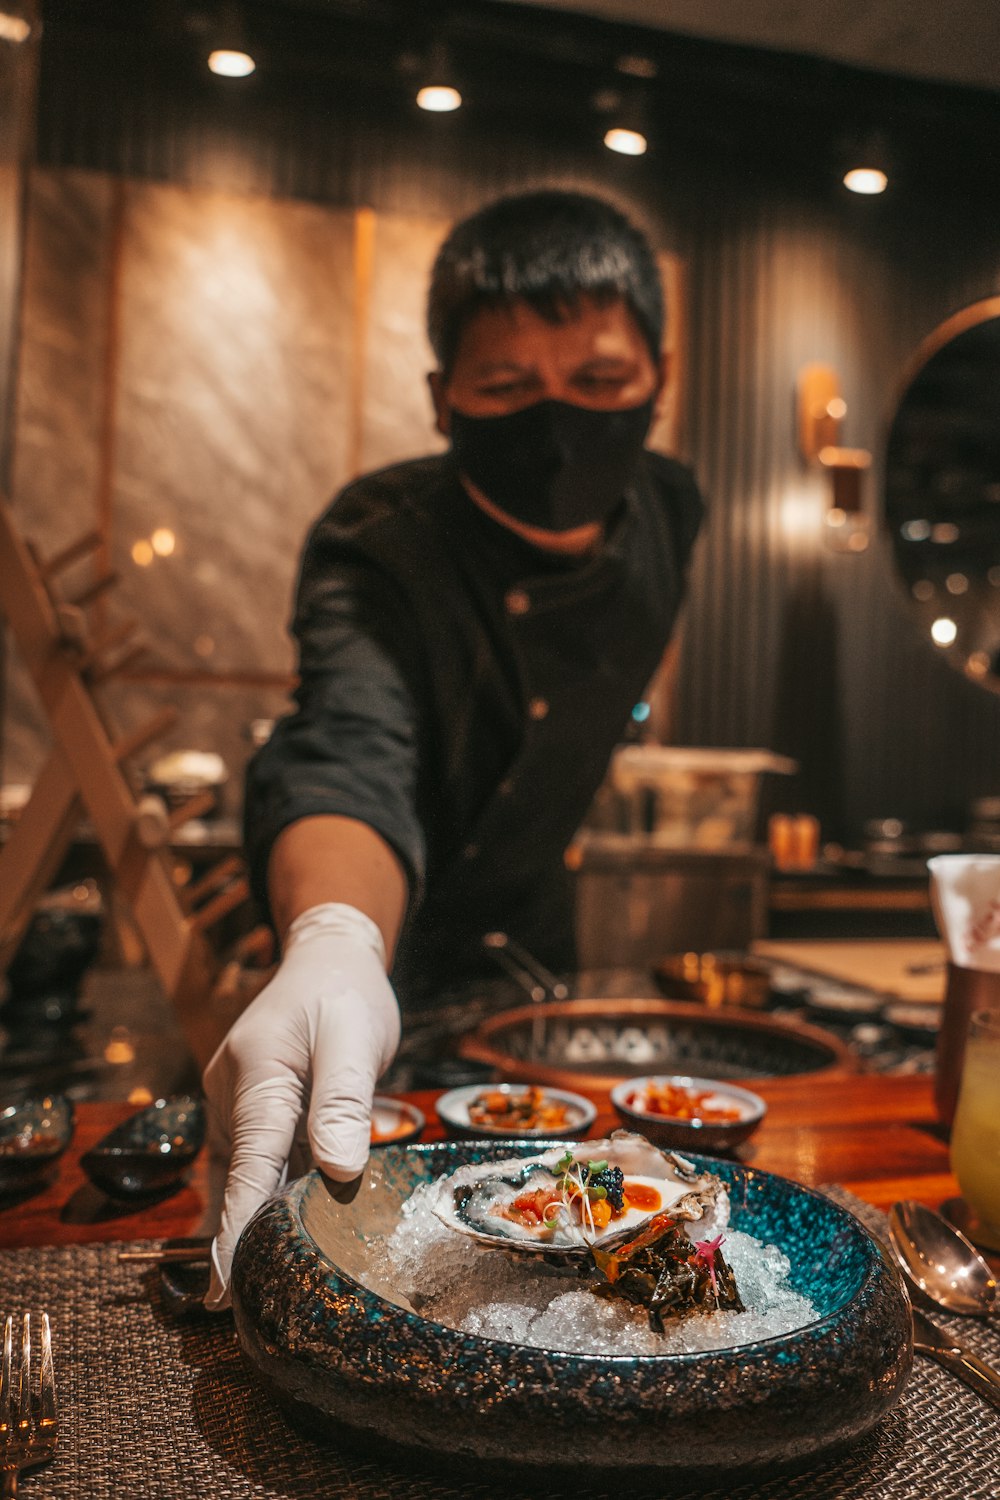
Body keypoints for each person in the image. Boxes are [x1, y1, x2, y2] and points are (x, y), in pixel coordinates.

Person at [202, 188, 705, 1307]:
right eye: (507, 386)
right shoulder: (379, 541)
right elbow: (348, 747)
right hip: (372, 960)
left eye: (601, 382)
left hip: (531, 958)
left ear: (660, 376)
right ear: (442, 400)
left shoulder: (674, 511)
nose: (559, 422)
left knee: (574, 1277)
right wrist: (333, 942)